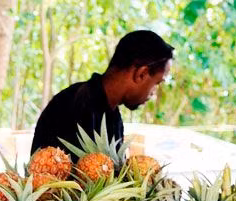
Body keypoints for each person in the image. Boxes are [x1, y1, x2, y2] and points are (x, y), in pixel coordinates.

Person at [31, 30, 173, 158]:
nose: (153, 94)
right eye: (157, 83)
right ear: (141, 74)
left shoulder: (113, 115)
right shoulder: (74, 105)